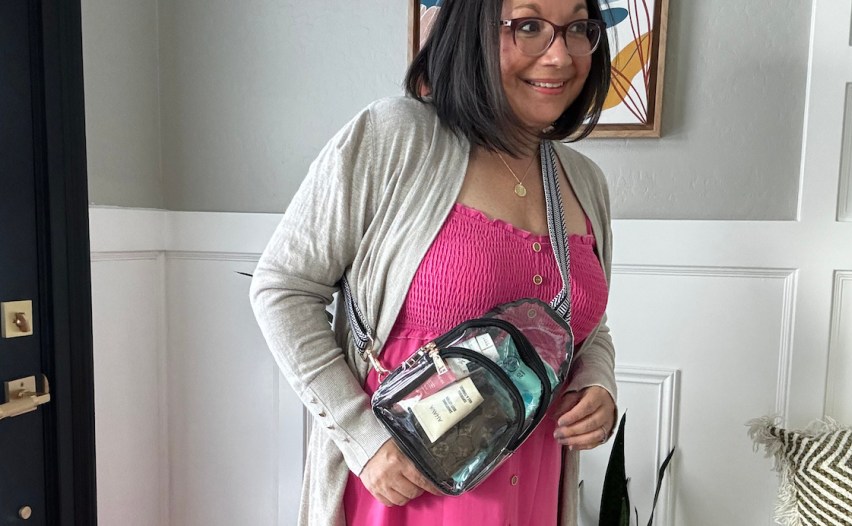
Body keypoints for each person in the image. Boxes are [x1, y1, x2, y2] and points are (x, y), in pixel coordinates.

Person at [249, 0, 618, 524]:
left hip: (531, 489)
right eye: (529, 26)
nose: (559, 56)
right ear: (470, 29)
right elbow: (282, 288)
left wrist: (597, 381)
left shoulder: (584, 182)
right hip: (407, 490)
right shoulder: (395, 137)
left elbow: (584, 322)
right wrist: (364, 439)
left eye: (577, 28)